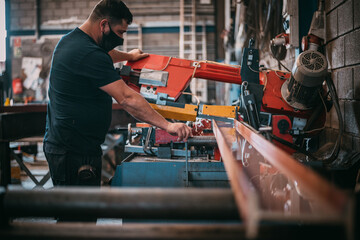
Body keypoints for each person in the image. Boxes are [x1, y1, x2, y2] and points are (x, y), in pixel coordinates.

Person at [43, 0, 192, 186]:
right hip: (74, 153)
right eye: (120, 32)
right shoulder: (89, 54)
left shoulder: (72, 41)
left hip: (69, 145)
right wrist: (168, 126)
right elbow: (127, 98)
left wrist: (129, 56)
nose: (121, 37)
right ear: (104, 24)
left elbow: (104, 53)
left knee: (78, 211)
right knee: (77, 213)